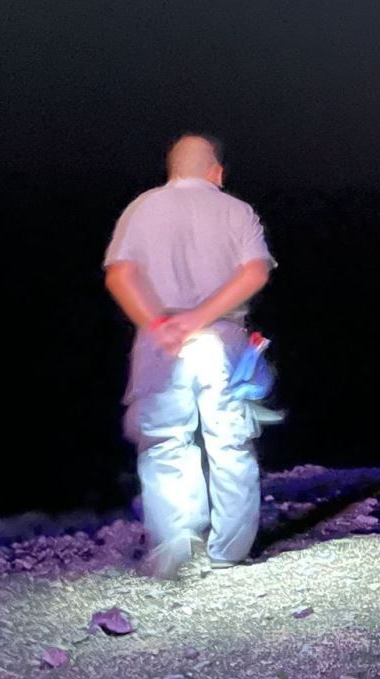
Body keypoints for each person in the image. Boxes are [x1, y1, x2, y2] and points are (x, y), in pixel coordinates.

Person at [104, 134, 275, 577]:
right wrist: (200, 317)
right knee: (231, 443)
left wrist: (161, 325)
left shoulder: (143, 207)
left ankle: (176, 548)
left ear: (173, 169)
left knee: (164, 443)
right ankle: (230, 553)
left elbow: (120, 275)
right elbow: (255, 272)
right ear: (215, 172)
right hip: (223, 336)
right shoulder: (237, 211)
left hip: (161, 341)